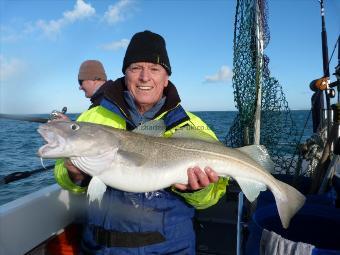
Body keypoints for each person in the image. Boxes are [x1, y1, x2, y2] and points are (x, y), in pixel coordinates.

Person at [54, 30, 229, 254]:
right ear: (125, 74)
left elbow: (211, 197)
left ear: (166, 79)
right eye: (135, 68)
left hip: (171, 248)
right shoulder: (92, 118)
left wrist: (197, 190)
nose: (145, 77)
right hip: (99, 248)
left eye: (155, 69)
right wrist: (74, 175)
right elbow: (62, 175)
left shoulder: (193, 126)